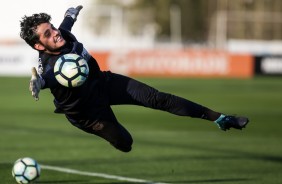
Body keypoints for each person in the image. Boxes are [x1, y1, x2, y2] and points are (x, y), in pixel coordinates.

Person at [20, 6, 249, 153]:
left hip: (104, 83)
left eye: (51, 28)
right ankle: (112, 132)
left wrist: (70, 15)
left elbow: (65, 26)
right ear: (39, 46)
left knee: (158, 98)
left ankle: (221, 118)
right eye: (47, 34)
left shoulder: (64, 36)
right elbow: (48, 78)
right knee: (125, 144)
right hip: (87, 113)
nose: (55, 33)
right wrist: (39, 83)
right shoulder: (50, 66)